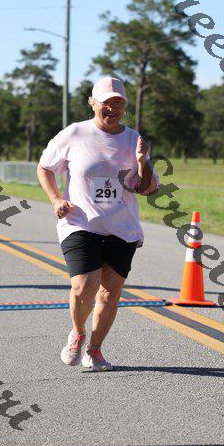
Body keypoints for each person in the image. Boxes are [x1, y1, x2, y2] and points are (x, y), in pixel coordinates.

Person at [37, 76, 159, 371]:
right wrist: (56, 199)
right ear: (93, 103)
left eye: (118, 103)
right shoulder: (75, 133)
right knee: (84, 287)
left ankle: (95, 350)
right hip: (81, 222)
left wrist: (142, 160)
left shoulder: (133, 139)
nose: (112, 108)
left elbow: (147, 189)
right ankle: (78, 333)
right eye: (106, 102)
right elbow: (44, 167)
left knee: (109, 293)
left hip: (121, 227)